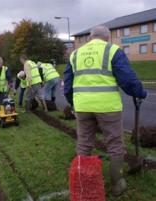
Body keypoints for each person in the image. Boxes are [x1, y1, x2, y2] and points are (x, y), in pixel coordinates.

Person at [64, 25, 147, 196]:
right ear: (107, 38)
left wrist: (74, 104)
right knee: (115, 144)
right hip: (107, 107)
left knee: (84, 143)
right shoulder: (112, 51)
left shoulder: (75, 54)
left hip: (82, 107)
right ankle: (117, 184)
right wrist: (140, 93)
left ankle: (82, 183)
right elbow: (127, 80)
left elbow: (68, 86)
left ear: (90, 37)